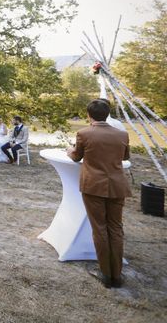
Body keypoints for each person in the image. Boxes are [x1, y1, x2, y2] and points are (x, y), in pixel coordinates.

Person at [67, 99, 131, 289]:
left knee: (100, 229)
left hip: (94, 186)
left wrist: (69, 149)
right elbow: (125, 157)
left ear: (89, 115)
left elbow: (76, 156)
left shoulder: (84, 133)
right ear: (107, 114)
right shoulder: (122, 134)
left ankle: (105, 274)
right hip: (117, 186)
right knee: (116, 228)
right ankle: (117, 275)